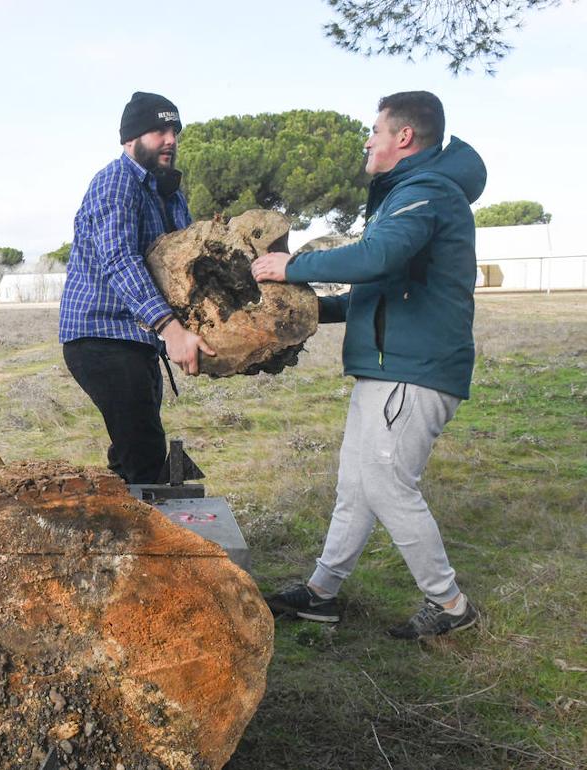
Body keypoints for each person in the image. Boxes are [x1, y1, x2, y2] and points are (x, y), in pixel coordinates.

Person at [251, 91, 486, 640]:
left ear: (403, 137)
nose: (367, 140)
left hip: (412, 370)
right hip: (388, 367)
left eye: (375, 130)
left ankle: (449, 603)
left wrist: (293, 267)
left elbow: (375, 259)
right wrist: (308, 313)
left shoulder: (425, 191)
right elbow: (380, 286)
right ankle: (321, 592)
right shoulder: (408, 196)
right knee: (356, 484)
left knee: (385, 484)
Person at [59, 92, 215, 484]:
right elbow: (119, 260)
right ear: (130, 139)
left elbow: (189, 260)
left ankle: (123, 522)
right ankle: (155, 538)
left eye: (174, 130)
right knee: (145, 456)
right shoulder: (115, 183)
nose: (171, 139)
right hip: (100, 336)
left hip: (138, 340)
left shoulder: (169, 193)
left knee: (131, 450)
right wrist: (171, 329)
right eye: (158, 130)